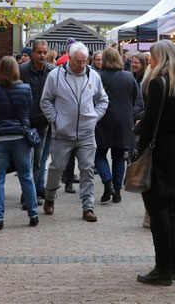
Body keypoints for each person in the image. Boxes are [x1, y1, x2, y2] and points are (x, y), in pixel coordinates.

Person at [136, 40, 175, 286]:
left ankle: (163, 268)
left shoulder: (159, 83)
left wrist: (137, 127)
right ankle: (171, 266)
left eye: (152, 57)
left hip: (159, 152)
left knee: (158, 212)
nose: (150, 61)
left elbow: (150, 123)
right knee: (168, 210)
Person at [40, 42, 109, 222]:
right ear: (70, 58)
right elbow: (45, 101)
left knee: (87, 170)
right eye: (78, 61)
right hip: (62, 133)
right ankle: (49, 196)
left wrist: (95, 116)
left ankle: (88, 207)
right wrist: (56, 120)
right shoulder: (55, 76)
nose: (82, 65)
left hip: (86, 133)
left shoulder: (93, 76)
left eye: (85, 61)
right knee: (56, 168)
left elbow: (103, 100)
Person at [0, 57, 38, 230]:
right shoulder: (25, 88)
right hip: (20, 136)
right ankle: (33, 213)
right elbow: (28, 110)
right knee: (26, 175)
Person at [94, 47, 143, 204]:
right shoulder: (128, 77)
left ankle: (108, 182)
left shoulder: (97, 77)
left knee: (99, 154)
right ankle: (117, 190)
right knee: (119, 157)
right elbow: (137, 98)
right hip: (123, 121)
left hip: (101, 120)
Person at [18, 40, 55, 200]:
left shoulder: (53, 72)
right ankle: (29, 192)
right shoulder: (22, 70)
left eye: (44, 52)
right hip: (26, 122)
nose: (42, 56)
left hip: (45, 122)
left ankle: (32, 192)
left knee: (39, 160)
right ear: (33, 53)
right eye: (39, 52)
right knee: (28, 160)